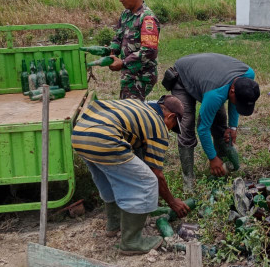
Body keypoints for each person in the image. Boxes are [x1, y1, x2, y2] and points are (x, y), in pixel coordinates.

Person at [71, 95, 190, 255]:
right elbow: (156, 174)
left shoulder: (139, 106)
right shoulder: (158, 126)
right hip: (104, 139)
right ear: (170, 116)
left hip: (80, 134)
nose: (169, 130)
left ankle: (114, 225)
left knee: (108, 180)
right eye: (172, 126)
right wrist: (173, 202)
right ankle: (131, 241)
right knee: (146, 182)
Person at [168, 53, 261, 191]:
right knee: (186, 126)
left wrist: (233, 127)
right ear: (232, 91)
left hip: (208, 77)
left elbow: (235, 102)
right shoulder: (215, 94)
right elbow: (203, 129)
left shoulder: (248, 75)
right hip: (182, 77)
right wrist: (212, 158)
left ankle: (221, 167)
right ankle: (189, 180)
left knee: (220, 122)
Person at [109, 0, 160, 101]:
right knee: (127, 109)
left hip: (141, 76)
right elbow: (118, 36)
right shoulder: (126, 15)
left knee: (129, 113)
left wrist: (123, 63)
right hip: (129, 74)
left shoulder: (147, 18)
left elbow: (149, 51)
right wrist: (111, 52)